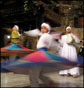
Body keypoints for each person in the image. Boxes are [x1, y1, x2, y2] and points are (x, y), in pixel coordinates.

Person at [28, 22, 55, 87]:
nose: (42, 29)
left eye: (44, 28)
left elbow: (51, 44)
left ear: (48, 30)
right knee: (38, 72)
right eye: (41, 28)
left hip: (41, 54)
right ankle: (48, 81)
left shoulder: (47, 36)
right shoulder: (44, 35)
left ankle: (34, 85)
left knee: (34, 71)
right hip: (40, 54)